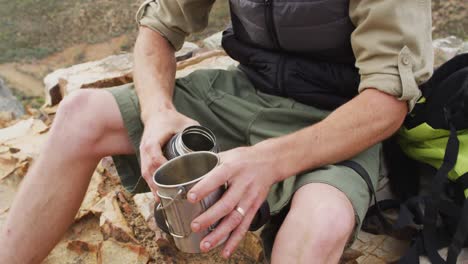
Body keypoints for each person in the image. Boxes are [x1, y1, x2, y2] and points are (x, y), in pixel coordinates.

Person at [0, 0, 433, 263]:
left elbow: (385, 104)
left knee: (320, 224)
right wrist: (158, 112)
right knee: (80, 114)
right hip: (244, 91)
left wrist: (266, 162)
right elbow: (157, 29)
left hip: (338, 118)